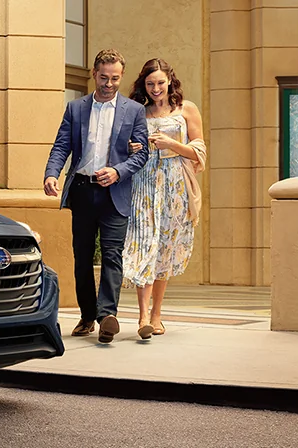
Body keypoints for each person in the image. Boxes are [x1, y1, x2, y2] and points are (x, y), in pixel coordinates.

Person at [43, 49, 151, 344]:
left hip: (114, 192)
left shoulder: (134, 110)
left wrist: (118, 172)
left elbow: (142, 155)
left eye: (115, 78)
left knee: (112, 255)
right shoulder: (75, 108)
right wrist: (51, 173)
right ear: (94, 74)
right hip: (82, 189)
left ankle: (107, 317)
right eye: (104, 77)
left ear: (121, 76)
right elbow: (61, 146)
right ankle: (87, 315)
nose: (109, 83)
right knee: (82, 256)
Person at [121, 58, 207, 340]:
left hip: (174, 184)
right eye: (150, 84)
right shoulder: (137, 111)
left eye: (160, 82)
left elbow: (200, 151)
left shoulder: (187, 110)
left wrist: (172, 145)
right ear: (143, 85)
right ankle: (143, 315)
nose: (156, 88)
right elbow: (123, 149)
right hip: (143, 184)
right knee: (144, 243)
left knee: (164, 249)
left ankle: (157, 313)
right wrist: (135, 147)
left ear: (170, 80)